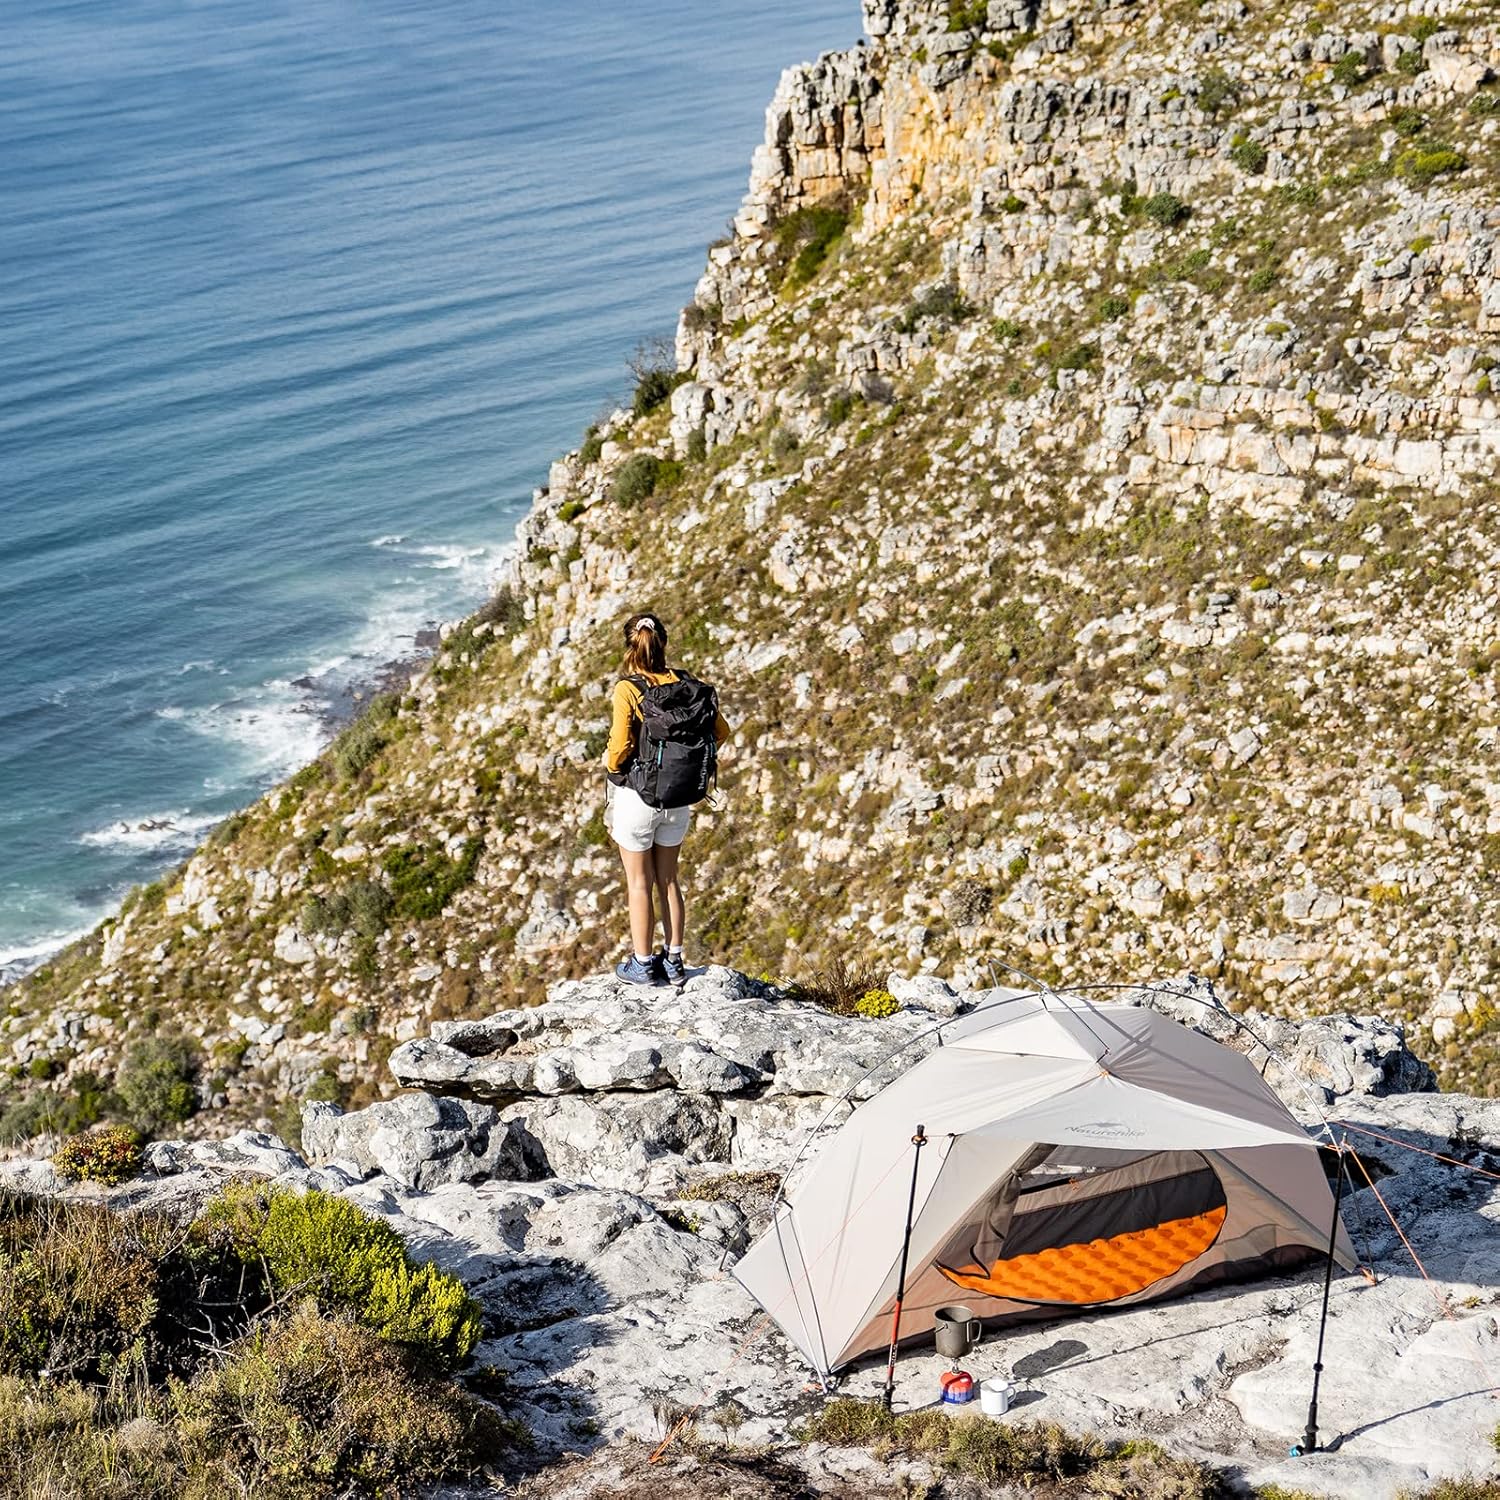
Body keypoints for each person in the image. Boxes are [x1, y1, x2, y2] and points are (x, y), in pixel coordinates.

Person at [603, 611, 730, 986]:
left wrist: (615, 767)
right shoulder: (688, 685)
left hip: (639, 798)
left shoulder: (629, 689)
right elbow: (721, 732)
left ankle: (643, 963)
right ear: (664, 644)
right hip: (680, 798)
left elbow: (620, 745)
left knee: (639, 883)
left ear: (630, 648)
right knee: (669, 880)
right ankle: (674, 961)